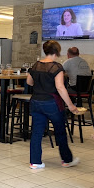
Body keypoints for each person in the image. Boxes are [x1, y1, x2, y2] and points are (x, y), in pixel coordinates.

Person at [27, 40, 80, 169]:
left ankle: (35, 162)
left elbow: (29, 82)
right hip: (51, 103)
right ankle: (67, 160)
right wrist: (71, 106)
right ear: (57, 51)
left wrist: (40, 86)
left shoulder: (35, 65)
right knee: (60, 131)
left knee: (36, 133)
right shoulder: (56, 67)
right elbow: (60, 88)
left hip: (36, 102)